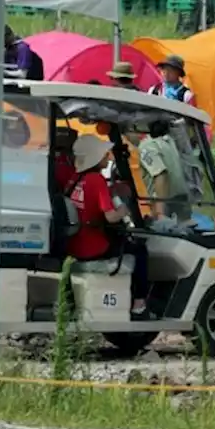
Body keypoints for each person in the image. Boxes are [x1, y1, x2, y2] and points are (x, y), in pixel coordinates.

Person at [66, 135, 150, 315]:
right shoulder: (96, 180)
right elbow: (111, 217)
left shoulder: (75, 178)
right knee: (139, 250)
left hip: (75, 244)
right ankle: (139, 302)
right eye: (104, 154)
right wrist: (124, 210)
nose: (109, 157)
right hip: (93, 247)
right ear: (95, 157)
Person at [138, 120, 192, 222]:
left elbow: (160, 174)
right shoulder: (169, 141)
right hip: (182, 199)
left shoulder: (147, 146)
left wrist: (160, 211)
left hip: (166, 204)